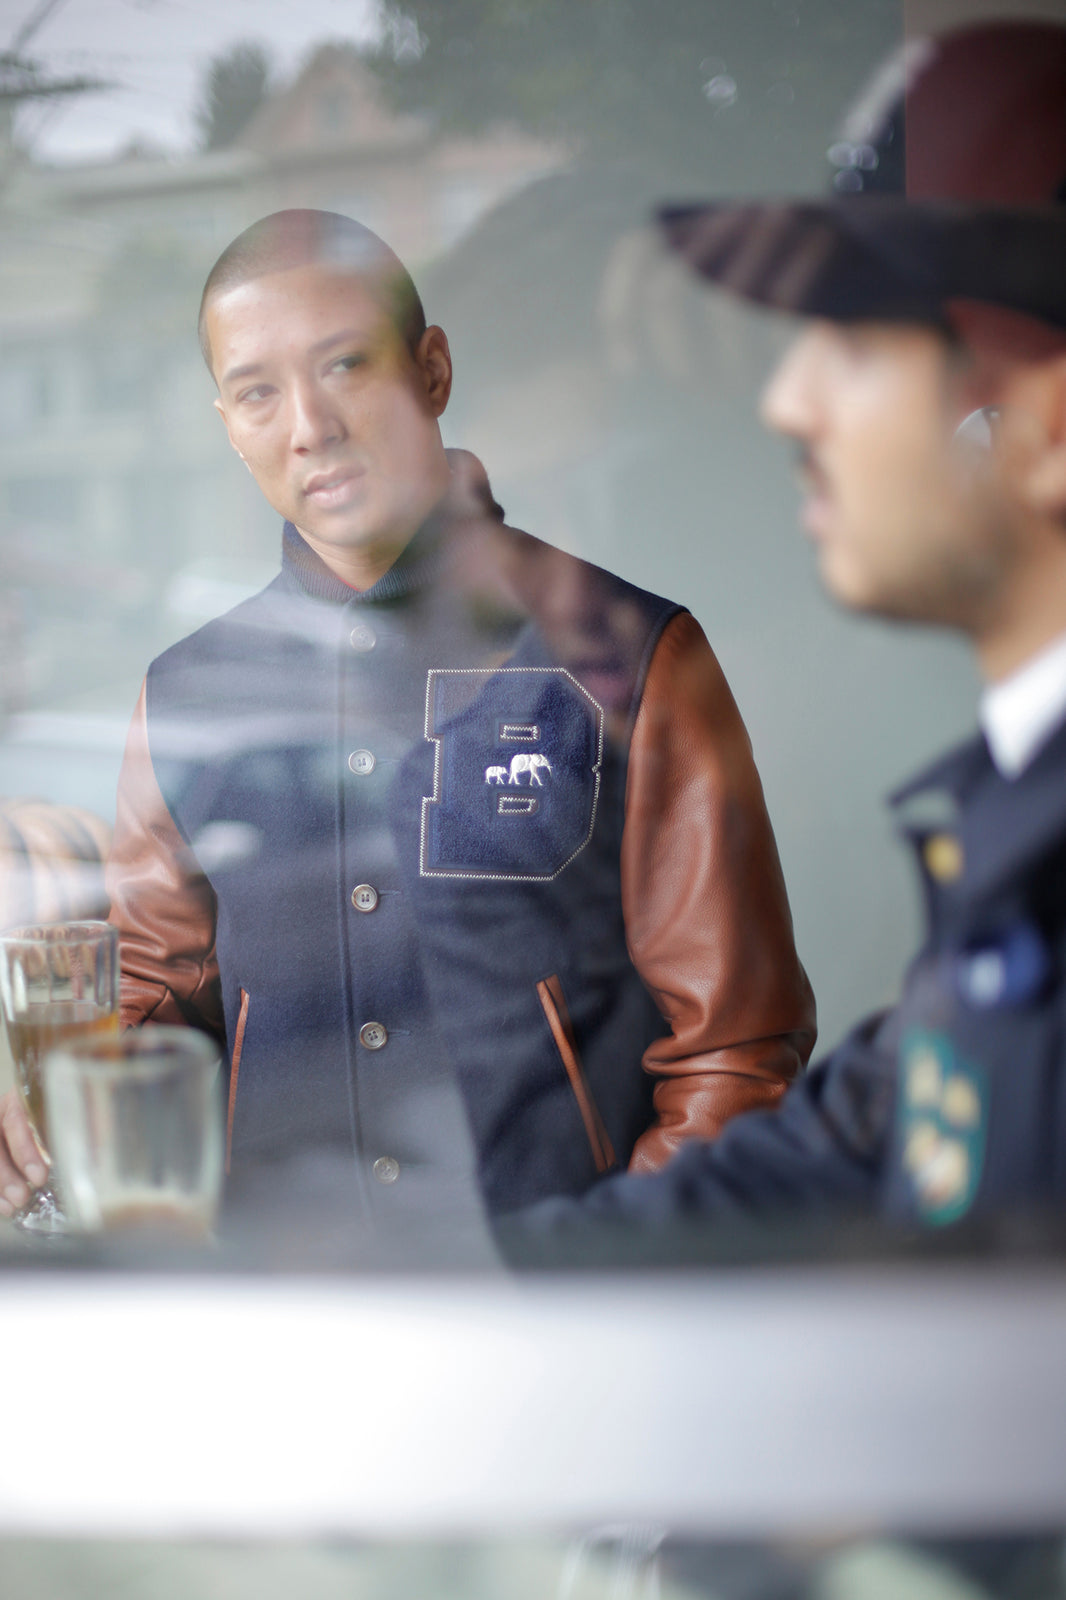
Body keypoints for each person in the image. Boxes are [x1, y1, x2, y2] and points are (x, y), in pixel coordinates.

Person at [0, 208, 814, 1224]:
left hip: (556, 1315)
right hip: (286, 1306)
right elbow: (155, 1003)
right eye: (259, 391)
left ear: (432, 370)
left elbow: (734, 1054)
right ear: (228, 425)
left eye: (344, 366)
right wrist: (42, 1092)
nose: (309, 424)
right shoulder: (184, 696)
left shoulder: (632, 654)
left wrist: (614, 1276)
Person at [514, 19, 1066, 1234]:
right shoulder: (1011, 828)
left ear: (1047, 423)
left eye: (855, 333)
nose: (783, 398)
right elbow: (835, 1146)